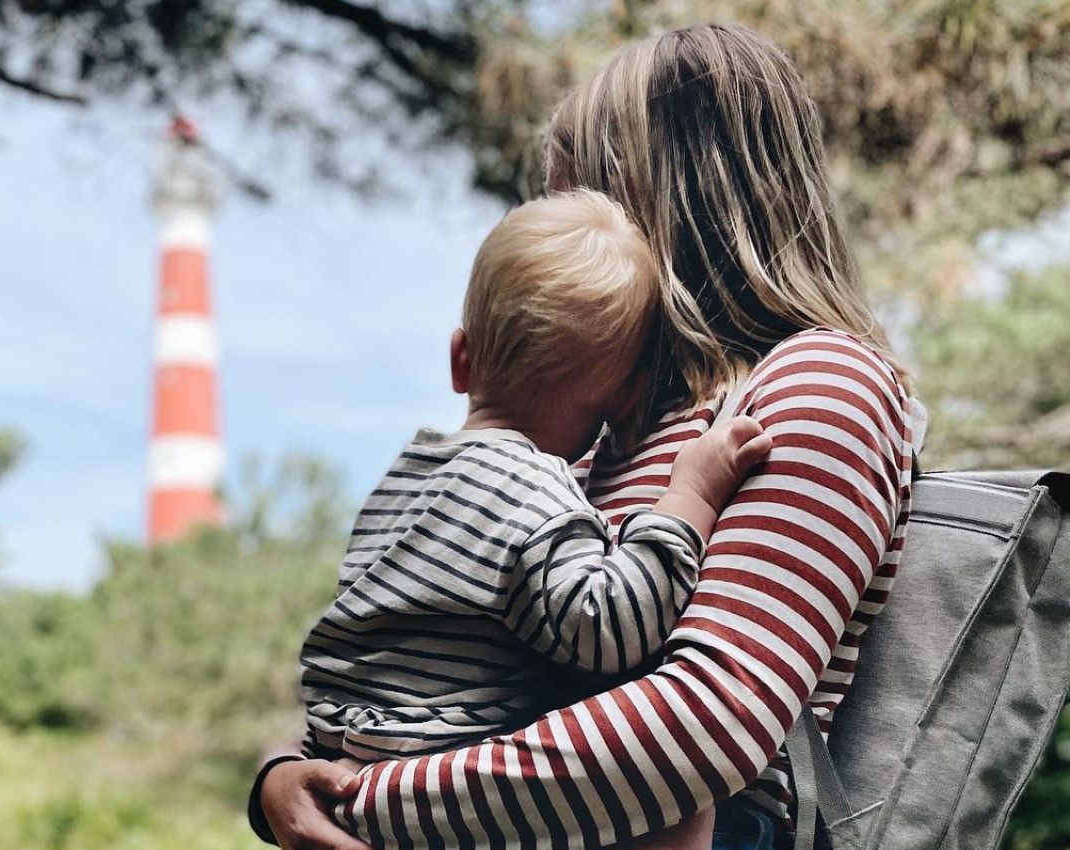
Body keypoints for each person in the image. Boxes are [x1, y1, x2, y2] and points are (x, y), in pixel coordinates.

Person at [250, 22, 926, 850]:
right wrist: (283, 773)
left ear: (663, 200)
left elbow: (703, 725)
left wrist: (366, 802)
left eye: (579, 199)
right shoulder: (580, 441)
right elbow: (417, 651)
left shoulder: (816, 384)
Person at [301, 190, 771, 850]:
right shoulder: (533, 489)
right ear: (622, 400)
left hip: (344, 770)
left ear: (460, 357)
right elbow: (608, 627)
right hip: (445, 795)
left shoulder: (400, 480)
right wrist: (688, 497)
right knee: (686, 808)